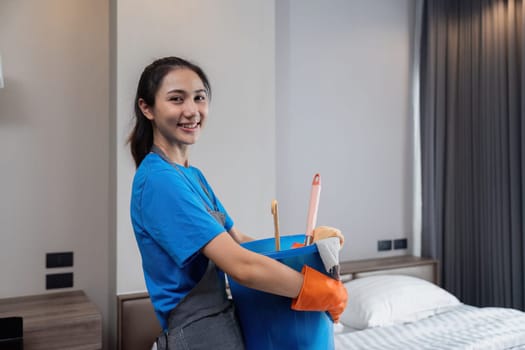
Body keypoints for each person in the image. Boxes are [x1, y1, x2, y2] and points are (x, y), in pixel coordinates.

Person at [128, 56, 347, 350]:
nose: (191, 111)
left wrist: (300, 255)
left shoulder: (191, 175)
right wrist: (315, 289)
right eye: (176, 99)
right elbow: (240, 265)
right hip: (197, 334)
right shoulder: (158, 180)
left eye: (199, 98)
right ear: (147, 108)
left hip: (223, 324)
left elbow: (238, 241)